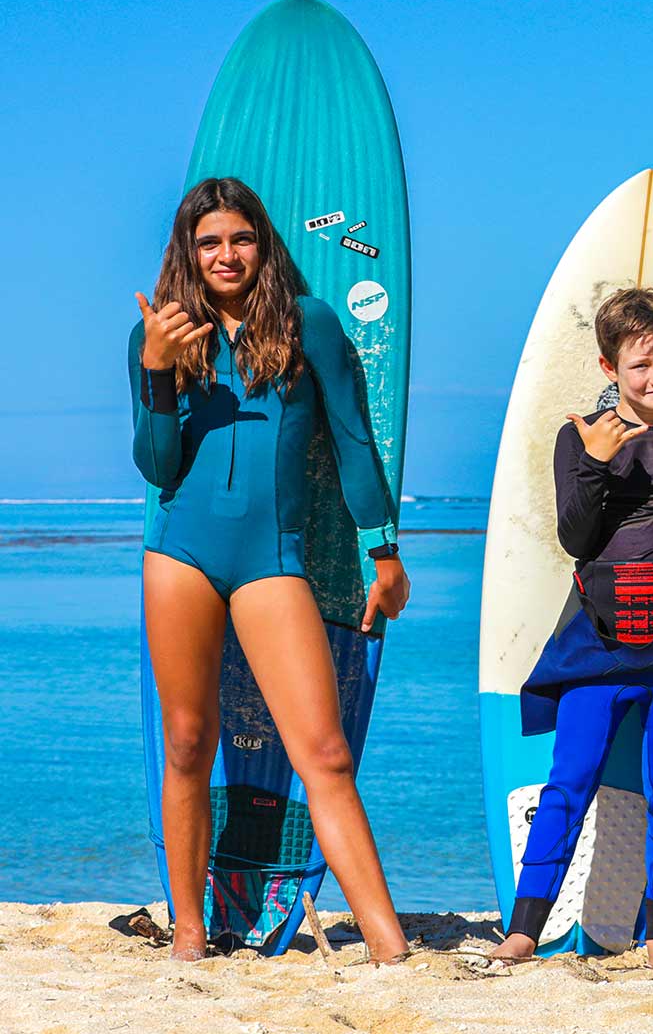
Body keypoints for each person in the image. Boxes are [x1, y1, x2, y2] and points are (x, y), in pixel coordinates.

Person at [129, 176, 411, 963]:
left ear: (264, 243)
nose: (226, 254)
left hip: (273, 563)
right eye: (209, 241)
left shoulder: (308, 325)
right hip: (180, 558)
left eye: (240, 237)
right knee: (187, 742)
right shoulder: (160, 333)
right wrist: (158, 371)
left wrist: (382, 551)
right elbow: (158, 468)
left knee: (324, 752)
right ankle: (190, 931)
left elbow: (355, 441)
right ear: (188, 250)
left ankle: (388, 944)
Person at [489, 287, 653, 970]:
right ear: (610, 369)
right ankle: (525, 927)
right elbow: (577, 536)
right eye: (640, 367)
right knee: (569, 780)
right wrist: (597, 463)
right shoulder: (578, 436)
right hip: (600, 641)